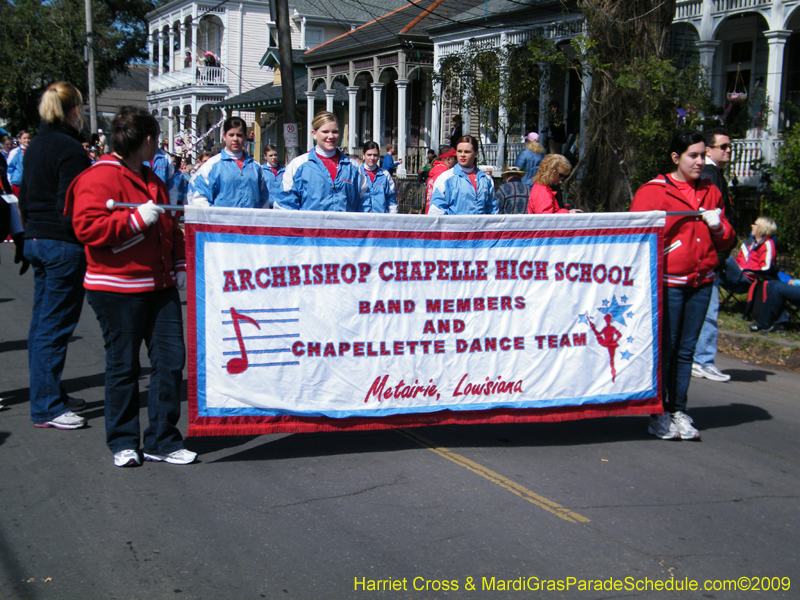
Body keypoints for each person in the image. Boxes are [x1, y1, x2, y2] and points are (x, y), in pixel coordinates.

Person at [66, 106, 196, 467]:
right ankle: (123, 440)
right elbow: (86, 228)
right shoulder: (98, 177)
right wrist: (133, 221)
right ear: (148, 139)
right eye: (157, 139)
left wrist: (179, 262)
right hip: (116, 288)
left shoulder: (153, 178)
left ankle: (162, 439)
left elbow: (169, 225)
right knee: (123, 366)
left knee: (170, 362)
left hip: (159, 285)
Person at [630, 130, 735, 441]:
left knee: (687, 350)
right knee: (667, 348)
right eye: (693, 155)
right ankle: (658, 412)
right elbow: (635, 237)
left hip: (702, 282)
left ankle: (678, 410)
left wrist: (719, 226)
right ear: (676, 158)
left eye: (703, 155)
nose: (700, 161)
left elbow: (726, 239)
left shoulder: (710, 190)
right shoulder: (653, 191)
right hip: (669, 283)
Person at [18, 82, 92, 429]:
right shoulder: (70, 149)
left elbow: (25, 196)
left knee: (42, 324)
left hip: (36, 237)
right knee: (54, 326)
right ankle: (46, 405)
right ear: (73, 110)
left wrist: (27, 234)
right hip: (61, 243)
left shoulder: (35, 145)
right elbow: (70, 206)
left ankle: (49, 393)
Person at [692, 128, 734, 383]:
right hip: (710, 254)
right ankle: (702, 359)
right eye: (723, 147)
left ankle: (698, 358)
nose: (728, 151)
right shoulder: (709, 175)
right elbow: (711, 215)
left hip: (715, 252)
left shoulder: (713, 174)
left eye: (729, 147)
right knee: (709, 308)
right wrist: (720, 251)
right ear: (708, 149)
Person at [277, 111, 366, 212]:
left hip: (345, 223)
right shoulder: (298, 165)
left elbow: (365, 203)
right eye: (325, 132)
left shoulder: (352, 166)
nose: (331, 136)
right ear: (314, 134)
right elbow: (284, 204)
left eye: (335, 132)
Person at [190, 117, 268, 208]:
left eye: (239, 135)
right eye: (231, 135)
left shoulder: (255, 166)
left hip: (250, 217)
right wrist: (212, 215)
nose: (235, 139)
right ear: (224, 136)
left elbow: (264, 198)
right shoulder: (212, 165)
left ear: (245, 137)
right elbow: (198, 195)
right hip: (221, 217)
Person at [429, 135, 497, 215]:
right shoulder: (445, 178)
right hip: (453, 223)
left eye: (467, 152)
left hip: (481, 223)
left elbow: (492, 210)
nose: (462, 155)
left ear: (476, 153)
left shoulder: (486, 179)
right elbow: (436, 211)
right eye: (459, 151)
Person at [721, 216, 777, 293]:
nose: (752, 225)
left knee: (726, 257)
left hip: (748, 282)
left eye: (755, 224)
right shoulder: (748, 244)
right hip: (738, 277)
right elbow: (738, 260)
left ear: (762, 228)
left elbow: (764, 268)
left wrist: (743, 269)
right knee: (713, 273)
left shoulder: (767, 244)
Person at [360, 141, 397, 213]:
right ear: (363, 155)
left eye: (375, 155)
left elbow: (391, 200)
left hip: (381, 217)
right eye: (369, 155)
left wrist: (393, 216)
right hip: (361, 217)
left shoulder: (385, 175)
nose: (372, 158)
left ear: (379, 156)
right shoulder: (357, 173)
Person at [424, 148, 457, 213]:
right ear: (448, 159)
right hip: (440, 213)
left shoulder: (434, 171)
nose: (457, 161)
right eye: (455, 158)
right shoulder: (446, 175)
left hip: (429, 212)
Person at [7, 130, 31, 196]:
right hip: (17, 185)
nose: (27, 140)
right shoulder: (14, 152)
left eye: (28, 138)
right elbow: (9, 169)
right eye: (24, 138)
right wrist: (10, 184)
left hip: (30, 185)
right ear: (19, 139)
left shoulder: (33, 151)